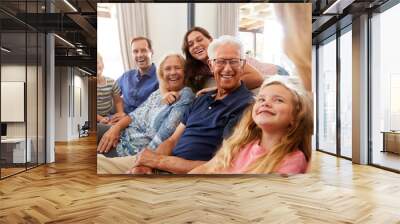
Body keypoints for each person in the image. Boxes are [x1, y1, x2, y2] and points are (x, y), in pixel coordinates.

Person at [123, 35, 254, 174]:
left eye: (234, 61)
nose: (227, 69)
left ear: (242, 65)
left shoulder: (246, 105)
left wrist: (157, 162)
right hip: (163, 163)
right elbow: (172, 140)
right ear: (211, 65)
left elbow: (222, 164)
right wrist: (148, 164)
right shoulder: (201, 99)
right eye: (220, 61)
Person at [190, 75, 313, 175]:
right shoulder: (239, 145)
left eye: (278, 100)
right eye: (261, 99)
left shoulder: (294, 160)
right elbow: (205, 169)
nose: (266, 104)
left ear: (295, 117)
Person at [97, 54, 195, 157]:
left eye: (177, 68)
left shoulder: (185, 95)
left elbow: (163, 137)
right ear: (162, 74)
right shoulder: (158, 93)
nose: (173, 72)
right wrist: (115, 129)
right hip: (123, 132)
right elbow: (133, 115)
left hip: (131, 149)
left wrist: (143, 160)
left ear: (185, 72)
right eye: (168, 69)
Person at [182, 26, 263, 93]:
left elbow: (257, 78)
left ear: (210, 39)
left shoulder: (226, 55)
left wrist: (218, 88)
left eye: (199, 40)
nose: (196, 45)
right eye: (190, 44)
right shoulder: (193, 72)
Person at [118, 36, 159, 114]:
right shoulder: (126, 76)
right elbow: (110, 92)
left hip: (140, 123)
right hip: (117, 118)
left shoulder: (161, 78)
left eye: (143, 50)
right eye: (135, 51)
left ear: (151, 52)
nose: (139, 55)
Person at [97, 53, 125, 125]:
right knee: (104, 127)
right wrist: (101, 119)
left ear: (102, 65)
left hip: (108, 115)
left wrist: (120, 113)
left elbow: (118, 101)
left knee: (119, 124)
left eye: (97, 63)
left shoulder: (112, 82)